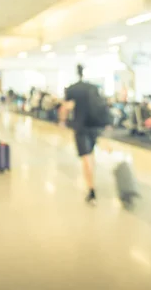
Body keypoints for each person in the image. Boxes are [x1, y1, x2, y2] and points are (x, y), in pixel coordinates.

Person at [59, 65, 105, 205]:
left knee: (86, 158)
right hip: (95, 126)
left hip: (81, 127)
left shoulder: (72, 89)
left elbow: (65, 107)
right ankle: (92, 180)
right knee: (91, 154)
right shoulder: (93, 87)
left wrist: (62, 121)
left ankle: (91, 189)